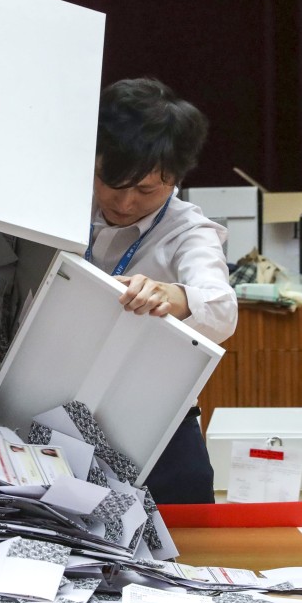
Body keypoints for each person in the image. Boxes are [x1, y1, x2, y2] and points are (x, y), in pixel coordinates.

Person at [88, 77, 237, 504]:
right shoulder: (60, 204)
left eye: (147, 190)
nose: (125, 203)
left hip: (159, 426)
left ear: (175, 178)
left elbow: (223, 310)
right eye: (112, 183)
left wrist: (173, 297)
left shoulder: (188, 230)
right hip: (51, 415)